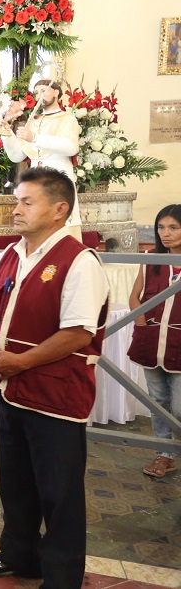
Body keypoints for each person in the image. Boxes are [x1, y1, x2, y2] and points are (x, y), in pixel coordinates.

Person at [0, 167, 110, 587]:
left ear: (59, 209)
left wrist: (19, 362)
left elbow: (78, 333)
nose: (16, 209)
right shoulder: (11, 254)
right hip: (12, 389)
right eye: (17, 201)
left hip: (55, 397)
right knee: (15, 483)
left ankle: (61, 578)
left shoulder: (79, 261)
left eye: (27, 202)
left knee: (59, 494)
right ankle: (19, 555)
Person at [128, 204, 181, 478]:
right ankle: (164, 454)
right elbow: (135, 296)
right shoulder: (150, 259)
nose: (165, 233)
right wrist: (141, 324)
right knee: (157, 400)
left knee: (180, 405)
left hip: (178, 343)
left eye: (173, 227)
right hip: (151, 340)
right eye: (161, 227)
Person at [0, 79, 82, 235]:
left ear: (56, 92)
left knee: (61, 227)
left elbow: (71, 147)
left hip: (58, 180)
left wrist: (35, 138)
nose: (39, 95)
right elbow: (17, 156)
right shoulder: (33, 122)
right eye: (37, 92)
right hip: (36, 184)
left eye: (44, 90)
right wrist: (6, 135)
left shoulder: (67, 118)